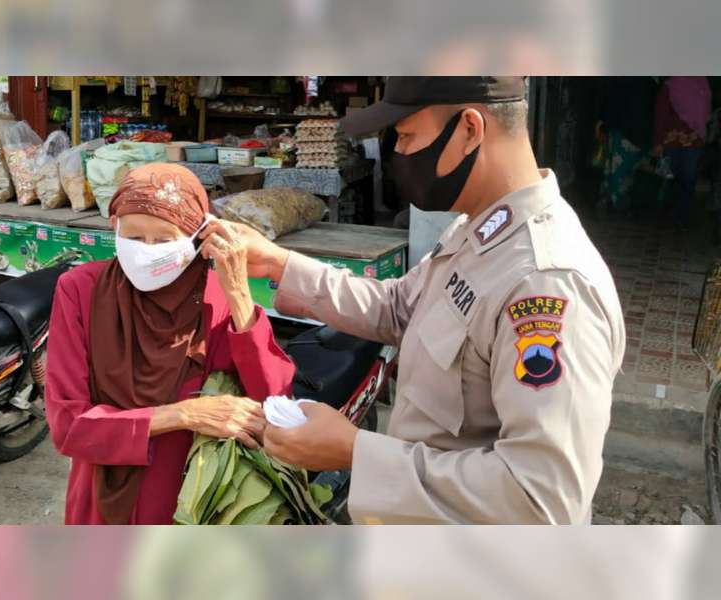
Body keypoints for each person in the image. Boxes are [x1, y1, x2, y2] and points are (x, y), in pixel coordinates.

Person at [203, 77, 626, 524]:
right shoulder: (476, 230)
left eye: (406, 136)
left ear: (469, 130)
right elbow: (398, 306)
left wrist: (356, 453)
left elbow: (543, 499)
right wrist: (279, 264)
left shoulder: (544, 283)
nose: (398, 155)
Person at [45, 163, 295, 525]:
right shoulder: (80, 290)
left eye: (163, 240)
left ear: (198, 237)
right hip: (101, 498)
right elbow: (68, 426)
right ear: (113, 226)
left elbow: (274, 404)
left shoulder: (218, 299)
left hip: (190, 498)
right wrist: (182, 415)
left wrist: (240, 294)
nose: (146, 251)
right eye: (133, 237)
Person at [653, 76, 711, 232]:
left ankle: (682, 217)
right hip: (671, 140)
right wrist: (658, 142)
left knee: (689, 180)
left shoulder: (702, 83)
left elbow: (706, 112)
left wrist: (700, 133)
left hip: (694, 140)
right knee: (670, 178)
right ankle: (667, 215)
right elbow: (660, 115)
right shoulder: (669, 86)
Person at [595, 77, 658, 214]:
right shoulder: (647, 82)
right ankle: (616, 202)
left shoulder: (620, 78)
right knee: (626, 169)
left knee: (614, 167)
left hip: (619, 131)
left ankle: (609, 198)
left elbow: (609, 101)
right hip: (635, 133)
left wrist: (602, 122)